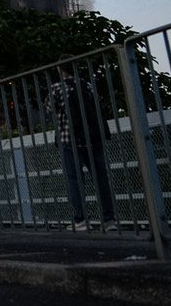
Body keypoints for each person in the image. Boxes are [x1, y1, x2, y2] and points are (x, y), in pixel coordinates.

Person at [45, 54, 117, 232]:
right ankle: (109, 220)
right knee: (101, 178)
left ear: (59, 69)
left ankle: (81, 220)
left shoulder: (56, 88)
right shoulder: (87, 85)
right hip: (93, 139)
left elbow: (48, 109)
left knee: (75, 180)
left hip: (70, 140)